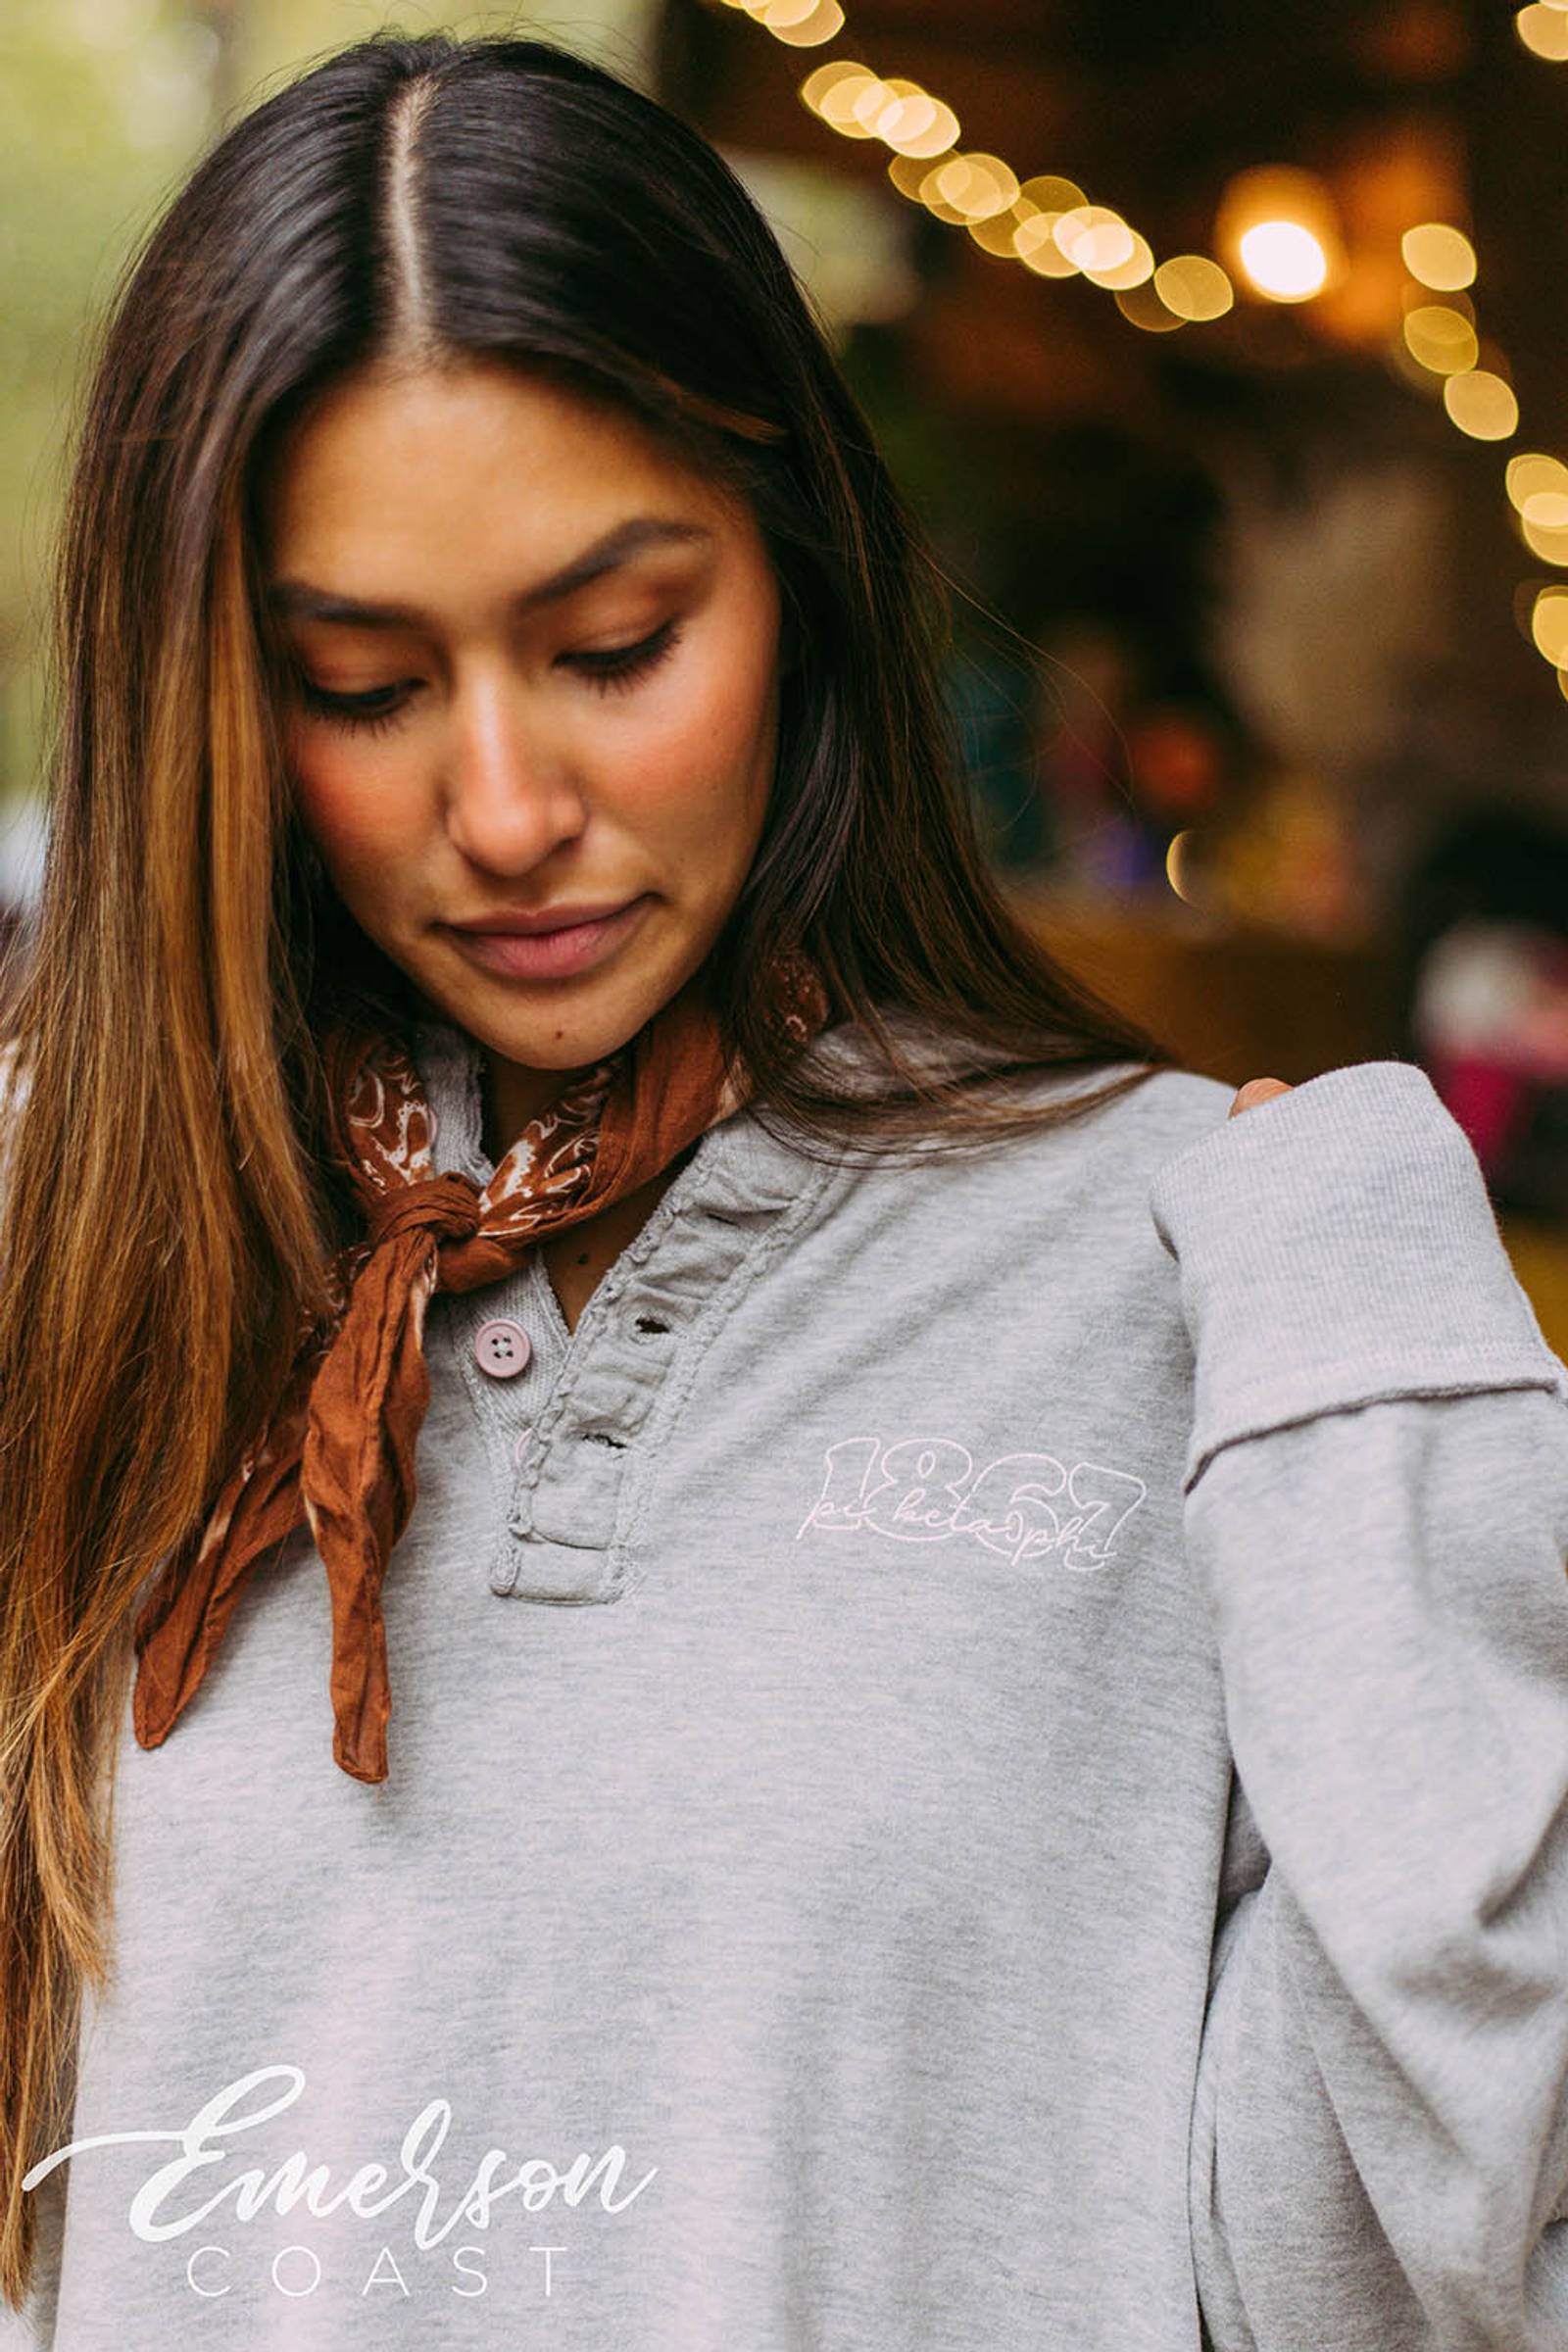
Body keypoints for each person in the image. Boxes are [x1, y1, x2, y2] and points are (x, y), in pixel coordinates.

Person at [2, 30, 1567, 2352]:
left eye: (613, 648)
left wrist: (1372, 1356)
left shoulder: (1184, 1276)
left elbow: (1428, 2269)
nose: (506, 807)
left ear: (805, 583)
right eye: (363, 684)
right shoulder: (67, 1244)